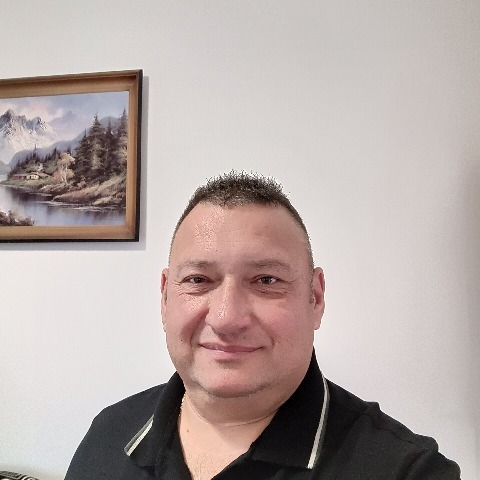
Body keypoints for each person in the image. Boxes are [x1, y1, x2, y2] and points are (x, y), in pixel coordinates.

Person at [65, 171, 461, 480]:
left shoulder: (408, 471)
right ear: (166, 296)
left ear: (315, 297)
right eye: (199, 280)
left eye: (266, 280)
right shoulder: (108, 434)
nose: (226, 318)